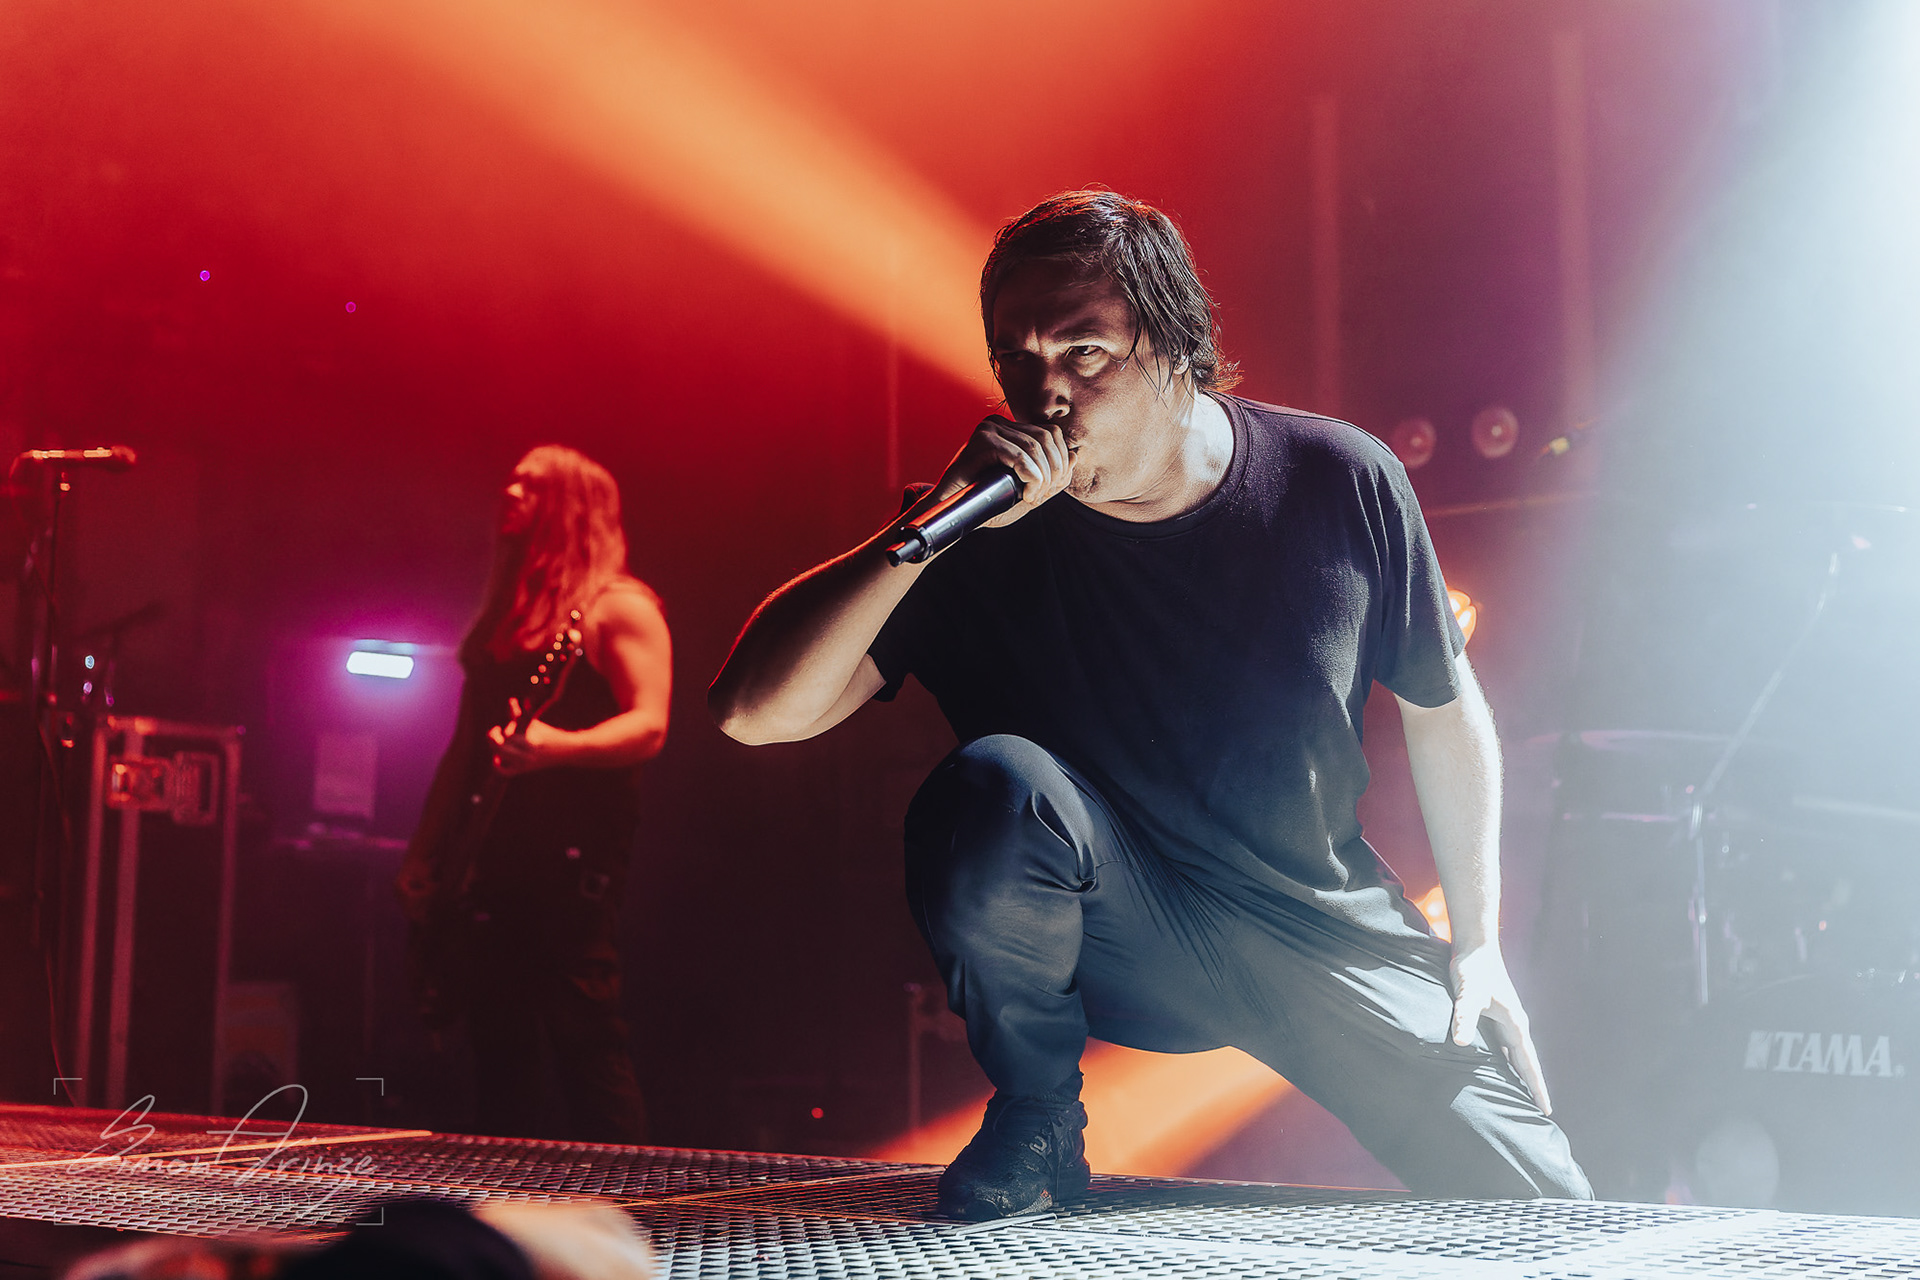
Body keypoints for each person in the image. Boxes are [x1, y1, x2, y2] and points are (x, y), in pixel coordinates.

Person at [709, 191, 1589, 1218]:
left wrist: (1477, 942)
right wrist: (926, 531)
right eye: (1017, 361)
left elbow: (1445, 709)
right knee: (995, 787)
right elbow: (753, 712)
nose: (1047, 395)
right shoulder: (976, 536)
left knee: (1545, 1202)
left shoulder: (1339, 479)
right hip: (1125, 937)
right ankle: (1039, 1111)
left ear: (1175, 347)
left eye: (1085, 353)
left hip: (1316, 928)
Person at [399, 445, 670, 1145]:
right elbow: (463, 750)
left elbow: (649, 725)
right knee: (498, 1044)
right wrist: (428, 849)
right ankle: (505, 1217)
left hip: (571, 861)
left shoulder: (620, 608)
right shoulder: (508, 616)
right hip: (490, 862)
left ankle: (624, 1212)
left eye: (531, 483)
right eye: (510, 477)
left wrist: (557, 748)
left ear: (571, 507)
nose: (508, 489)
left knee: (585, 1037)